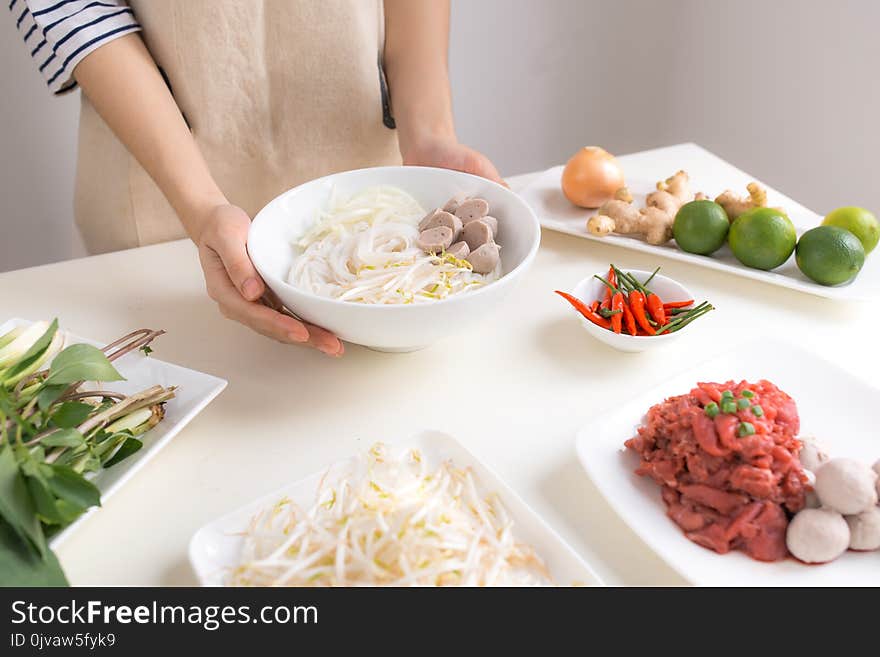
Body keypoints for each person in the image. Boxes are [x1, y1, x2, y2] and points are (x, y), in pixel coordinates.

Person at [10, 0, 503, 356]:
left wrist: (430, 136)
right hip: (164, 206)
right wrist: (200, 205)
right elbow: (72, 11)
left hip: (377, 199)